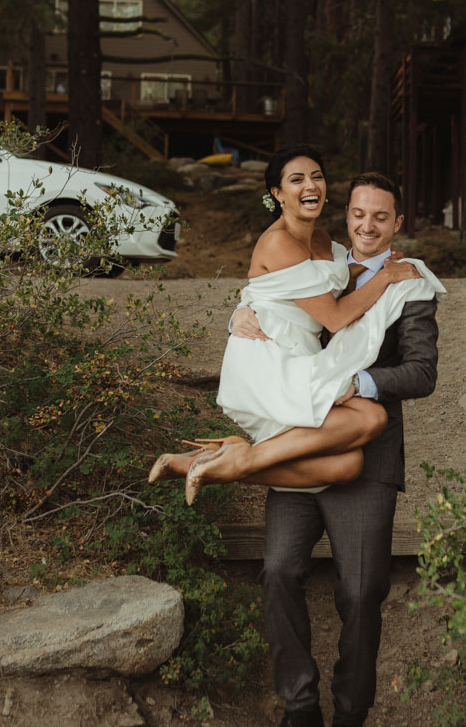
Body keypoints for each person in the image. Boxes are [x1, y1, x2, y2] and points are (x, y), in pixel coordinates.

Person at [237, 171, 439, 727]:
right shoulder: (318, 261)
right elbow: (268, 293)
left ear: (398, 223)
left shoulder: (412, 286)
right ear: (346, 215)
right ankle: (299, 707)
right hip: (297, 446)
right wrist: (241, 314)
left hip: (366, 461)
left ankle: (351, 713)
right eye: (358, 214)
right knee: (277, 571)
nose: (366, 225)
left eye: (380, 216)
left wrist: (364, 383)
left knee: (360, 591)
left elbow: (422, 373)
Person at [146, 147, 441, 505]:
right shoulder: (278, 241)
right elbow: (331, 316)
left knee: (347, 465)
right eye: (296, 179)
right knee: (370, 418)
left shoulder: (322, 240)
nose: (310, 185)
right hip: (271, 359)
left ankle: (222, 463)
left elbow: (282, 285)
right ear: (277, 194)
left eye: (316, 176)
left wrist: (244, 303)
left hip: (300, 357)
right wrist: (386, 277)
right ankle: (247, 457)